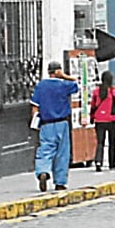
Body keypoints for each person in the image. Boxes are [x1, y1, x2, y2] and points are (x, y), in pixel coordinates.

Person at [31, 61, 79, 191]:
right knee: (62, 153)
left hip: (46, 123)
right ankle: (60, 182)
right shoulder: (63, 85)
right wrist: (64, 76)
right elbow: (76, 83)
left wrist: (35, 123)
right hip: (62, 123)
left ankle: (43, 171)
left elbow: (35, 106)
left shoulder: (41, 86)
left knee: (45, 150)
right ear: (58, 71)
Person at [89, 70, 115, 170]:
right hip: (112, 120)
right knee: (112, 142)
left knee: (100, 142)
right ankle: (111, 164)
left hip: (99, 120)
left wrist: (92, 117)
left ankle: (98, 162)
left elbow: (93, 106)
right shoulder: (114, 92)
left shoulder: (96, 91)